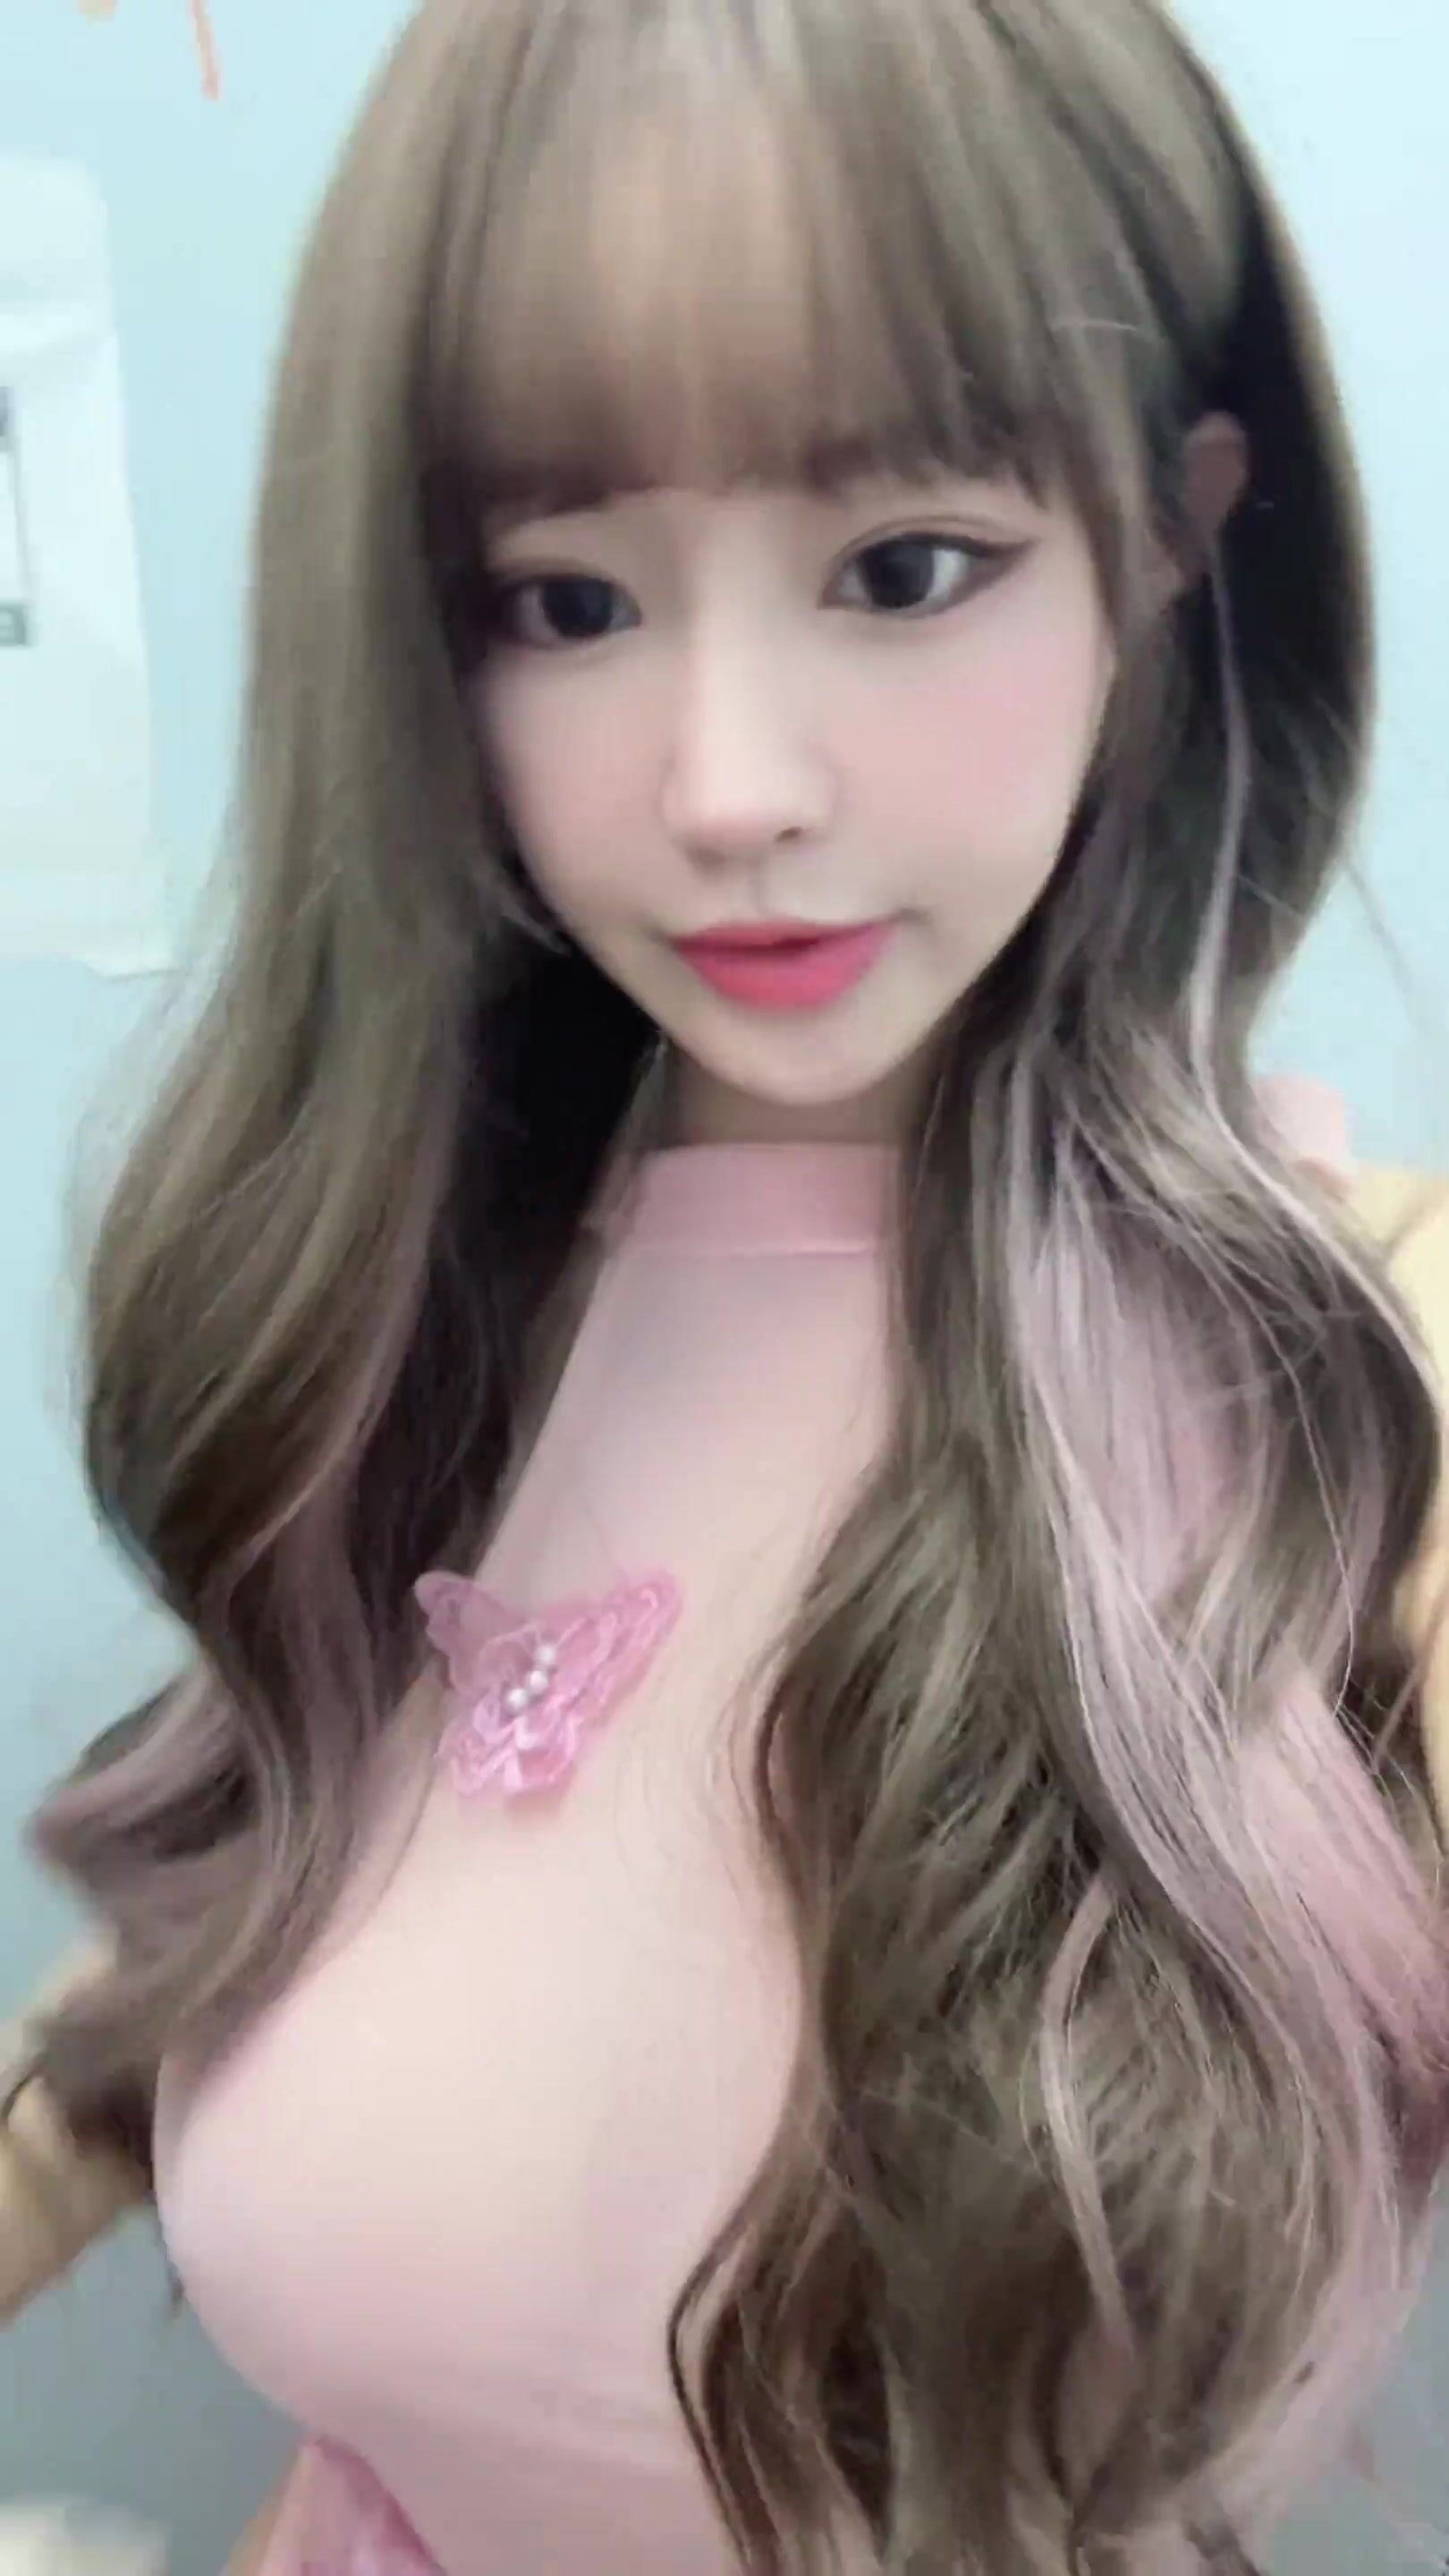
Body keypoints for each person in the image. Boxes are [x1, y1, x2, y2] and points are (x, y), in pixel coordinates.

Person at [4, 0, 1448, 2570]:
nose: (726, 787)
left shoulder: (1364, 1380)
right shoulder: (413, 1314)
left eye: (903, 569)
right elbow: (222, 1952)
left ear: (1174, 527)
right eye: (565, 601)